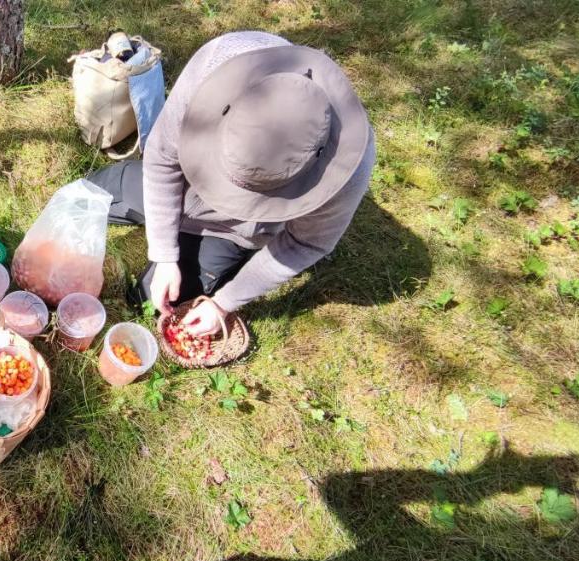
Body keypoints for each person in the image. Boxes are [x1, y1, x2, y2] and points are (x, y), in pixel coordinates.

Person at [87, 31, 376, 337]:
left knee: (152, 300)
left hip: (235, 229)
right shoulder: (221, 62)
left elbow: (306, 243)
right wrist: (163, 254)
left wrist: (223, 303)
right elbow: (162, 159)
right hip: (186, 183)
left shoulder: (349, 168)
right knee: (86, 195)